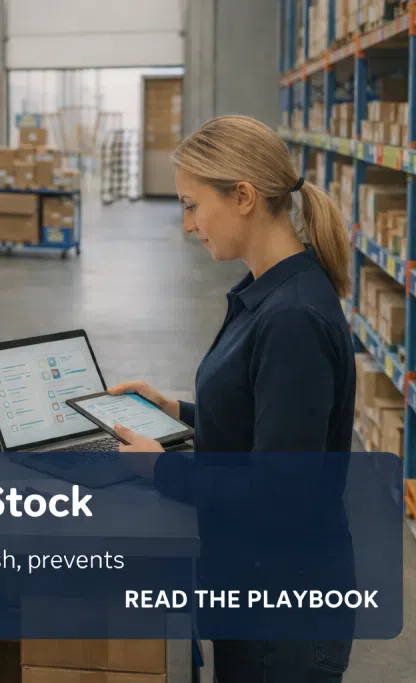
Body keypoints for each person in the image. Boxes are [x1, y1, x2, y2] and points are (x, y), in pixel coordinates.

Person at [108, 115, 356, 682]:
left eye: (193, 205)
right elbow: (266, 421)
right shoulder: (267, 291)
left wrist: (160, 469)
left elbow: (280, 491)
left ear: (242, 196)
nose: (188, 224)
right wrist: (179, 413)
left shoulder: (291, 316)